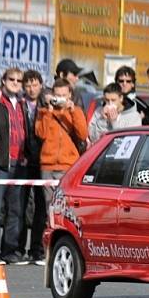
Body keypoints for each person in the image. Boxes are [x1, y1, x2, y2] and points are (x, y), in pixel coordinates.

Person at [0, 67, 33, 266]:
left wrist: (27, 155)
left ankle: (10, 251)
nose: (16, 82)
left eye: (19, 80)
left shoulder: (23, 103)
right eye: (12, 79)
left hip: (19, 165)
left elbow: (27, 132)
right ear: (3, 79)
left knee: (16, 211)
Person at [35, 77, 88, 211]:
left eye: (64, 95)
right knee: (49, 208)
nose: (61, 99)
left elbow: (82, 134)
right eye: (58, 96)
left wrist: (72, 110)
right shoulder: (44, 112)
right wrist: (49, 110)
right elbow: (41, 134)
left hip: (68, 165)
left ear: (70, 95)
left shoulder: (76, 111)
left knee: (65, 207)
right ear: (52, 95)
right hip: (48, 166)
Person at [19, 69, 47, 266]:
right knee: (19, 206)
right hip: (23, 161)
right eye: (27, 85)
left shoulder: (47, 104)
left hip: (42, 161)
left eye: (34, 84)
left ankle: (36, 249)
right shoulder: (19, 105)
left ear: (41, 85)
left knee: (41, 207)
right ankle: (19, 248)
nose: (31, 88)